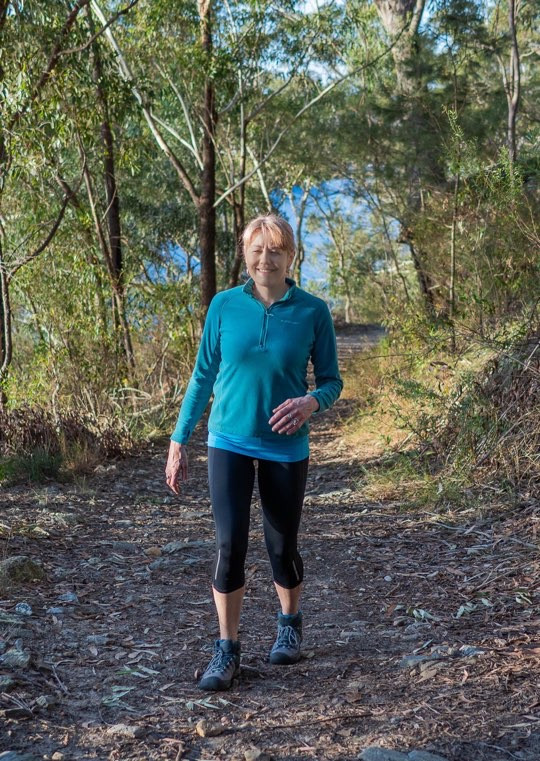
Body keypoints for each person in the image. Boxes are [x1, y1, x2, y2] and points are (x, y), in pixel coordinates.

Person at [165, 213, 343, 691]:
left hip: (286, 446)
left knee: (281, 546)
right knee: (230, 547)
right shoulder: (223, 306)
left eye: (276, 250)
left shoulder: (312, 311)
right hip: (229, 440)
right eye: (257, 249)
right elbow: (202, 376)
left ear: (291, 256)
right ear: (245, 253)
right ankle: (227, 650)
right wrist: (178, 440)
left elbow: (331, 382)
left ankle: (290, 624)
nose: (266, 259)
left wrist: (311, 402)